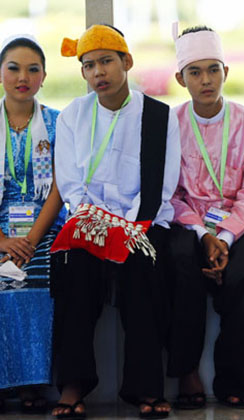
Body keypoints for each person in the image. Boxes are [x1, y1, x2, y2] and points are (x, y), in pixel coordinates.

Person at [51, 24, 180, 419]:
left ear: (126, 61)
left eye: (106, 61)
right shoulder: (73, 115)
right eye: (88, 66)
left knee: (145, 269)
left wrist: (124, 230)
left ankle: (144, 388)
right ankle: (73, 384)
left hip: (141, 219)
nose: (98, 73)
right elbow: (71, 184)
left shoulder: (158, 115)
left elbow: (160, 184)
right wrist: (97, 225)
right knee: (72, 267)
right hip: (89, 220)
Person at [166, 23, 244, 409]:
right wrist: (201, 234)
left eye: (213, 70)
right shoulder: (169, 126)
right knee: (178, 263)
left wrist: (222, 238)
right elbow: (169, 194)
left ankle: (237, 380)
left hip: (235, 229)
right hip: (186, 225)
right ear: (180, 78)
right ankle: (187, 373)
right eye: (195, 72)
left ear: (227, 72)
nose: (206, 80)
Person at [0, 34, 66, 414]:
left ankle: (31, 382)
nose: (22, 77)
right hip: (1, 228)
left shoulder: (58, 123)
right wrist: (3, 241)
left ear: (43, 76)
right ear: (1, 73)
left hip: (45, 223)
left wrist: (29, 240)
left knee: (39, 272)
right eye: (14, 68)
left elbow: (60, 188)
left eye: (32, 69)